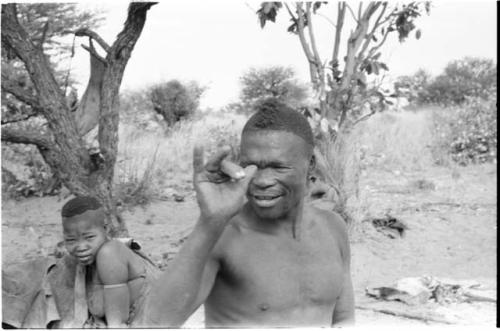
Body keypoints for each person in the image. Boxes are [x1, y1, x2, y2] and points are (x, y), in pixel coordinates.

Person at [146, 98, 355, 327]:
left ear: (311, 164)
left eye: (278, 167)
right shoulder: (224, 235)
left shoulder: (333, 228)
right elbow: (154, 323)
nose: (263, 181)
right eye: (252, 166)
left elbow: (344, 319)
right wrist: (210, 222)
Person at [59, 196, 160, 327]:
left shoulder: (110, 253)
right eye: (71, 240)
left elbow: (117, 324)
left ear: (105, 229)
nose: (81, 247)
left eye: (89, 237)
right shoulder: (82, 265)